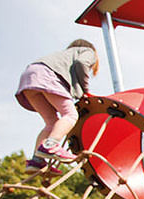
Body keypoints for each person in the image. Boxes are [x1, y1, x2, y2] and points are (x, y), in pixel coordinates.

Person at [15, 40, 99, 175]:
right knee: (70, 115)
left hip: (29, 76)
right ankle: (51, 145)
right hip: (46, 75)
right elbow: (81, 63)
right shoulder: (88, 52)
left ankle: (36, 161)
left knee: (51, 123)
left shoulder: (64, 55)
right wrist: (85, 91)